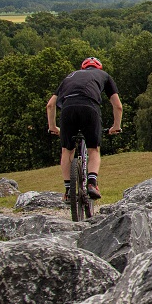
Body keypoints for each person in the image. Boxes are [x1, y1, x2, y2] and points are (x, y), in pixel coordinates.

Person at [45, 57, 122, 201]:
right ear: (98, 68)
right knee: (93, 149)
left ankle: (68, 191)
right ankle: (92, 183)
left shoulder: (69, 77)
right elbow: (118, 106)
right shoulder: (104, 75)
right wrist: (116, 126)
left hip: (68, 109)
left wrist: (53, 127)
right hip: (89, 107)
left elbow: (50, 105)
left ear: (82, 68)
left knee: (67, 150)